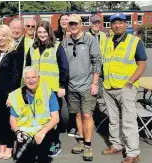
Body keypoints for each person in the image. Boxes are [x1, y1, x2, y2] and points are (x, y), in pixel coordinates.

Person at [101, 13, 147, 163]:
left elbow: (142, 65)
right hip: (108, 87)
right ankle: (116, 145)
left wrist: (130, 82)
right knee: (113, 120)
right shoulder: (107, 42)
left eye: (120, 22)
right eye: (114, 23)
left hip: (125, 88)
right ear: (111, 25)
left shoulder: (134, 42)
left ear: (125, 24)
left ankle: (133, 153)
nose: (117, 25)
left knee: (128, 121)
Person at [26, 21, 69, 157]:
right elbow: (27, 69)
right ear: (36, 34)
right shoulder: (32, 48)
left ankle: (54, 143)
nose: (42, 35)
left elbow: (64, 68)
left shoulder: (57, 47)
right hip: (36, 90)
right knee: (39, 118)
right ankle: (42, 142)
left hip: (52, 91)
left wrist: (62, 86)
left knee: (52, 119)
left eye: (44, 32)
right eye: (39, 32)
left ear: (49, 33)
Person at [62, 14, 101, 161]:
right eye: (70, 24)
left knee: (87, 115)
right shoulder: (65, 42)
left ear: (81, 24)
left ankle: (88, 146)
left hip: (87, 85)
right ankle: (81, 141)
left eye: (75, 23)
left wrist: (95, 83)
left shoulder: (90, 40)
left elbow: (97, 62)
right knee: (77, 115)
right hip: (72, 86)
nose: (73, 26)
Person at [0, 24, 23, 160]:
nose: (1, 38)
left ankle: (9, 146)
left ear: (8, 37)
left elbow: (16, 76)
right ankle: (2, 145)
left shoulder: (13, 54)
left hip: (7, 93)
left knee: (8, 121)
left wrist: (12, 95)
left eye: (3, 35)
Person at [9, 66, 59, 163]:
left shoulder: (47, 91)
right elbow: (12, 118)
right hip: (24, 134)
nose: (31, 80)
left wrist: (42, 132)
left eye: (33, 77)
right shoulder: (16, 95)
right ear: (24, 80)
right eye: (28, 78)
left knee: (42, 159)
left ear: (38, 78)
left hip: (43, 131)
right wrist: (17, 132)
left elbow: (55, 118)